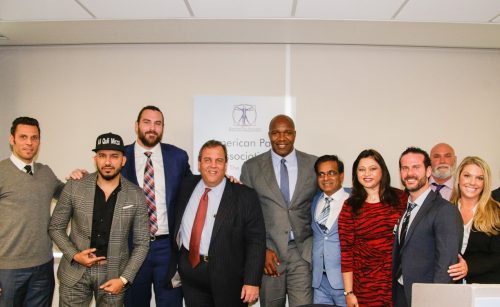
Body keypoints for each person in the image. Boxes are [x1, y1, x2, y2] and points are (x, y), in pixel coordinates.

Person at [49, 133, 150, 306]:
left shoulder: (136, 195)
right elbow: (55, 227)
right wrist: (75, 255)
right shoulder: (75, 186)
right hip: (75, 273)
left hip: (113, 276)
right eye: (102, 156)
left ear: (123, 160)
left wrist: (124, 279)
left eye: (114, 156)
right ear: (95, 158)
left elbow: (142, 243)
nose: (108, 162)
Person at [168, 140, 266, 306]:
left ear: (226, 165)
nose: (213, 166)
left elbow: (256, 241)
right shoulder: (185, 186)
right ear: (199, 163)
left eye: (219, 160)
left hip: (229, 278)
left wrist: (252, 281)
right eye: (207, 160)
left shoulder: (245, 195)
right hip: (191, 274)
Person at [240, 114, 317, 307]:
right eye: (276, 133)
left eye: (287, 133)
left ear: (295, 134)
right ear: (269, 135)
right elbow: (246, 217)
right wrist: (261, 250)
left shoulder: (313, 165)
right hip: (269, 256)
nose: (281, 138)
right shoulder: (251, 167)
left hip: (302, 253)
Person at [121, 106, 191, 306]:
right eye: (147, 122)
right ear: (136, 126)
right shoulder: (120, 156)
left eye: (157, 123)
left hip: (167, 249)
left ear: (163, 128)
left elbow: (194, 187)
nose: (152, 128)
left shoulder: (178, 157)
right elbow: (102, 181)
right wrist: (80, 177)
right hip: (132, 247)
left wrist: (225, 182)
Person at [0, 117, 64, 307]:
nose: (29, 143)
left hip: (43, 268)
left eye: (34, 138)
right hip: (7, 270)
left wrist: (79, 178)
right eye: (23, 137)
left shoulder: (46, 173)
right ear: (12, 139)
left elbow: (70, 196)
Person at [393, 147, 463, 307]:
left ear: (428, 171)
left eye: (416, 167)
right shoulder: (406, 208)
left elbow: (446, 265)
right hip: (402, 293)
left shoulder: (444, 210)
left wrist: (434, 302)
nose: (410, 173)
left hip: (427, 298)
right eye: (405, 168)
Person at [338, 149, 406, 307]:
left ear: (382, 170)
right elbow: (346, 252)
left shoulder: (401, 198)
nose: (366, 174)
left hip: (397, 281)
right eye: (361, 169)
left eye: (373, 168)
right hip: (365, 286)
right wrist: (349, 293)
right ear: (356, 174)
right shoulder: (350, 206)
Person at [450, 156, 500, 283]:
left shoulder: (496, 212)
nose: (472, 182)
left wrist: (469, 266)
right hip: (449, 286)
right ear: (458, 178)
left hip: (485, 287)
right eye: (467, 175)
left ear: (485, 183)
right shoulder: (445, 211)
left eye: (479, 178)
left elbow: (497, 256)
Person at [311, 155, 350, 306]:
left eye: (331, 173)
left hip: (344, 282)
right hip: (320, 282)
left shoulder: (353, 202)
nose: (326, 178)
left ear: (341, 175)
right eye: (321, 174)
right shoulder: (315, 201)